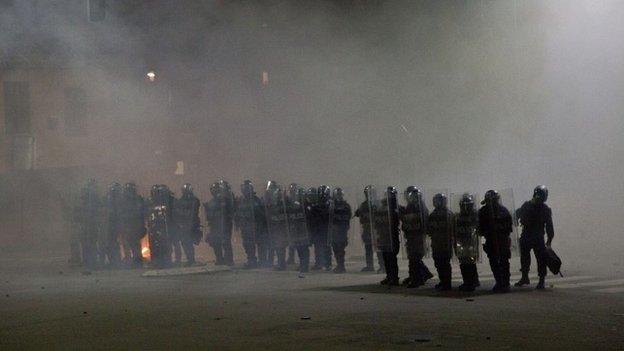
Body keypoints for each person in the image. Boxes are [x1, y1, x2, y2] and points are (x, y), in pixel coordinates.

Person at [515, 185, 554, 290]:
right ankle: (536, 279)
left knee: (533, 258)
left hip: (530, 235)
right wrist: (549, 240)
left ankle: (529, 278)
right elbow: (549, 227)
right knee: (536, 258)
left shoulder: (528, 205)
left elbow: (516, 215)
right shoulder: (543, 209)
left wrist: (549, 240)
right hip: (535, 236)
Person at [478, 190, 513, 293]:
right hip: (497, 240)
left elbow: (481, 229)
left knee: (500, 262)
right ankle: (503, 283)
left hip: (498, 240)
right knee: (499, 262)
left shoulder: (485, 211)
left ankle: (503, 283)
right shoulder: (502, 210)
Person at [399, 186, 433, 288]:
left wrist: (404, 215)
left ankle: (417, 279)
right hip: (411, 235)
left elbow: (417, 220)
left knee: (415, 257)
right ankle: (420, 275)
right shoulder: (411, 206)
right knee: (413, 257)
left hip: (417, 235)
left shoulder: (418, 206)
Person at [234, 180, 268, 269]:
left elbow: (261, 214)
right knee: (248, 245)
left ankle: (263, 261)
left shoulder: (256, 200)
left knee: (260, 244)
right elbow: (237, 213)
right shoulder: (241, 201)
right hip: (245, 227)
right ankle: (252, 261)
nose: (244, 190)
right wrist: (238, 222)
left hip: (256, 226)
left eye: (246, 188)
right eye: (243, 188)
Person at [372, 186, 400, 286]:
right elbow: (376, 221)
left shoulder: (397, 208)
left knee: (391, 258)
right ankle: (389, 276)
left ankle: (394, 278)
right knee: (386, 258)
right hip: (383, 236)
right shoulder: (382, 207)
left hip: (392, 236)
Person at [354, 185, 385, 273]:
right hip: (367, 228)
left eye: (370, 193)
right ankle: (370, 265)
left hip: (376, 229)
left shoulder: (378, 204)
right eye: (367, 193)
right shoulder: (363, 205)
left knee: (378, 248)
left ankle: (382, 266)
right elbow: (359, 214)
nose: (368, 195)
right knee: (368, 248)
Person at [204, 180, 235, 266]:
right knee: (215, 242)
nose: (214, 191)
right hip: (215, 225)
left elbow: (230, 211)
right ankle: (219, 259)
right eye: (213, 189)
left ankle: (229, 260)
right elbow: (209, 216)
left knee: (225, 242)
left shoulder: (226, 199)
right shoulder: (211, 202)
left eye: (215, 189)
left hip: (225, 224)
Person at [428, 193, 454, 291]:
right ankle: (443, 281)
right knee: (438, 263)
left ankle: (447, 283)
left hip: (445, 243)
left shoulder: (448, 214)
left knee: (444, 264)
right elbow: (429, 229)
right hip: (436, 243)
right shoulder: (433, 215)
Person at [454, 193, 480, 291]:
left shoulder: (474, 215)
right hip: (463, 242)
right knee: (467, 263)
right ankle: (473, 281)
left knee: (468, 264)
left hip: (469, 242)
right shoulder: (459, 216)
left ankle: (469, 283)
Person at [172, 183, 201, 266]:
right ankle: (190, 259)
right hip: (183, 225)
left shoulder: (194, 200)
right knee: (185, 243)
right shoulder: (181, 201)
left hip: (192, 224)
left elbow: (192, 212)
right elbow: (177, 212)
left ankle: (191, 260)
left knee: (189, 242)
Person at [146, 184, 174, 268]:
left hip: (163, 227)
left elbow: (169, 215)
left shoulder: (167, 202)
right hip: (153, 227)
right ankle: (155, 261)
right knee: (153, 245)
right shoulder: (149, 202)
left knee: (164, 245)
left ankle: (166, 261)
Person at [119, 182, 146, 268]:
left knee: (134, 244)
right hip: (133, 225)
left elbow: (141, 212)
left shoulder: (133, 200)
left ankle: (137, 261)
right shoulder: (135, 199)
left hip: (133, 225)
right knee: (134, 244)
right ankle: (136, 260)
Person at [286, 186, 311, 273]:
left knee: (304, 249)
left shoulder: (307, 206)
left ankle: (305, 266)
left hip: (304, 231)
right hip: (296, 231)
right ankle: (302, 265)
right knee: (300, 249)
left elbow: (310, 218)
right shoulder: (295, 206)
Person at [264, 181, 289, 270]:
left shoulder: (282, 204)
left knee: (280, 247)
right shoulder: (269, 204)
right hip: (273, 228)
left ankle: (281, 264)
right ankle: (275, 263)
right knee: (274, 246)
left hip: (280, 229)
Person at [77, 179, 101, 270]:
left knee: (87, 242)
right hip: (90, 223)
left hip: (87, 223)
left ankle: (88, 261)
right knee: (91, 242)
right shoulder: (93, 197)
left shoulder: (84, 198)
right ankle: (91, 262)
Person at [328, 188, 351, 273]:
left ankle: (341, 266)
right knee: (336, 248)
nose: (339, 197)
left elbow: (347, 217)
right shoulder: (332, 205)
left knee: (340, 248)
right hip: (335, 231)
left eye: (340, 195)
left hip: (341, 230)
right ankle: (340, 265)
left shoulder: (345, 206)